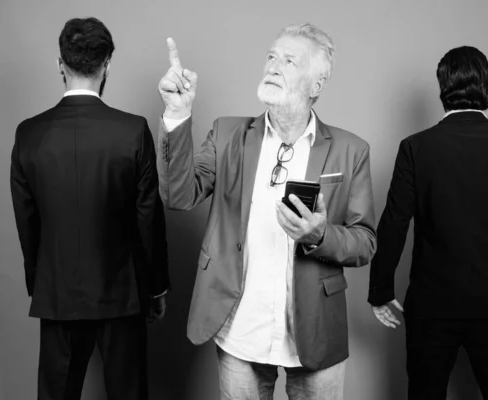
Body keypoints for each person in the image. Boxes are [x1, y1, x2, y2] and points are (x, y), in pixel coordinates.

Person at [156, 23, 376, 399]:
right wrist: (177, 113)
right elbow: (179, 195)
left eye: (289, 61)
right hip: (240, 331)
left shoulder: (350, 150)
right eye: (271, 57)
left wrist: (320, 235)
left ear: (316, 85)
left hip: (316, 333)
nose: (273, 67)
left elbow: (365, 242)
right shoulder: (227, 135)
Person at [368, 46, 488, 399]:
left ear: (443, 87)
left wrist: (380, 290)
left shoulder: (416, 147)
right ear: (487, 87)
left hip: (431, 303)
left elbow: (395, 222)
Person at [10, 17, 169, 400]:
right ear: (108, 64)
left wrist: (41, 282)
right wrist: (156, 287)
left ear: (59, 64)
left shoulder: (29, 133)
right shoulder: (132, 130)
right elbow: (148, 217)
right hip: (123, 296)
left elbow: (26, 223)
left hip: (58, 293)